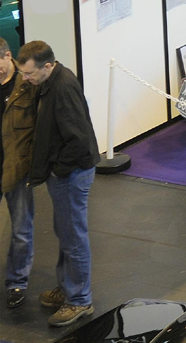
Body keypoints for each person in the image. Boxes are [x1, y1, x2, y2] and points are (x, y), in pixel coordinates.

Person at [20, 41, 98, 328]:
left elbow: (78, 141)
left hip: (70, 175)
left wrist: (56, 170)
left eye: (30, 74)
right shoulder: (52, 81)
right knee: (65, 233)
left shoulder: (62, 88)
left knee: (73, 238)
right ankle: (68, 288)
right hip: (67, 173)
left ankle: (79, 301)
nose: (26, 80)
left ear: (48, 66)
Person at [2, 39, 35, 311]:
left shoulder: (27, 86)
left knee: (22, 228)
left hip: (16, 166)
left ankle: (17, 282)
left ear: (8, 57)